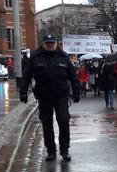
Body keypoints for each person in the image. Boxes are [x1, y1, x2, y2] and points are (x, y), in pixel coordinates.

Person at [20, 34, 80, 162]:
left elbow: (73, 76)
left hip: (61, 96)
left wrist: (77, 92)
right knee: (47, 125)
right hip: (44, 96)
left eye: (52, 43)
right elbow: (26, 75)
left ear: (56, 43)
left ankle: (65, 150)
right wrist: (23, 91)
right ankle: (51, 151)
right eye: (47, 43)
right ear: (43, 44)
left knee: (64, 122)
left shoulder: (63, 56)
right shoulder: (36, 57)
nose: (50, 45)